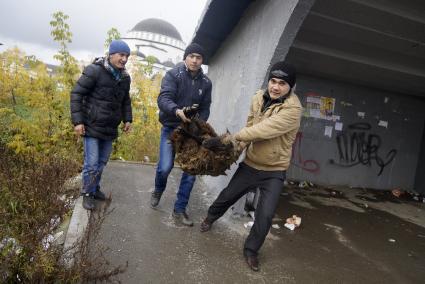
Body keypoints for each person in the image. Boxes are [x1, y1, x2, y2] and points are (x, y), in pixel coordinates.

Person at [200, 61, 302, 271]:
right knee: (228, 195)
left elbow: (263, 130)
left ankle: (251, 251)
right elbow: (250, 127)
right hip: (251, 163)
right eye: (273, 81)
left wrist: (227, 139)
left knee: (265, 215)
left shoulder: (293, 110)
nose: (275, 87)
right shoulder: (258, 98)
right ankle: (210, 218)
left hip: (274, 170)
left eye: (282, 83)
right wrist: (233, 150)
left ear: (290, 87)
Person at [151, 43, 212, 226]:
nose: (194, 60)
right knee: (165, 167)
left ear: (202, 60)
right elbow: (163, 99)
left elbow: (205, 108)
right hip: (171, 128)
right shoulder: (173, 75)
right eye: (191, 56)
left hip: (191, 133)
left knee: (191, 171)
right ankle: (158, 190)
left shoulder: (206, 83)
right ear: (185, 57)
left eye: (198, 57)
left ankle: (180, 209)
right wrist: (177, 111)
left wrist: (197, 122)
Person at [70, 39, 133, 210]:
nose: (124, 59)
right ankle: (87, 193)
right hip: (91, 125)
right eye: (121, 55)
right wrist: (78, 122)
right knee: (91, 163)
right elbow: (76, 94)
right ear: (111, 54)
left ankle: (94, 188)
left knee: (102, 162)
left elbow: (125, 100)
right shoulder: (94, 71)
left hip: (110, 128)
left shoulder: (125, 77)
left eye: (127, 56)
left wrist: (128, 119)